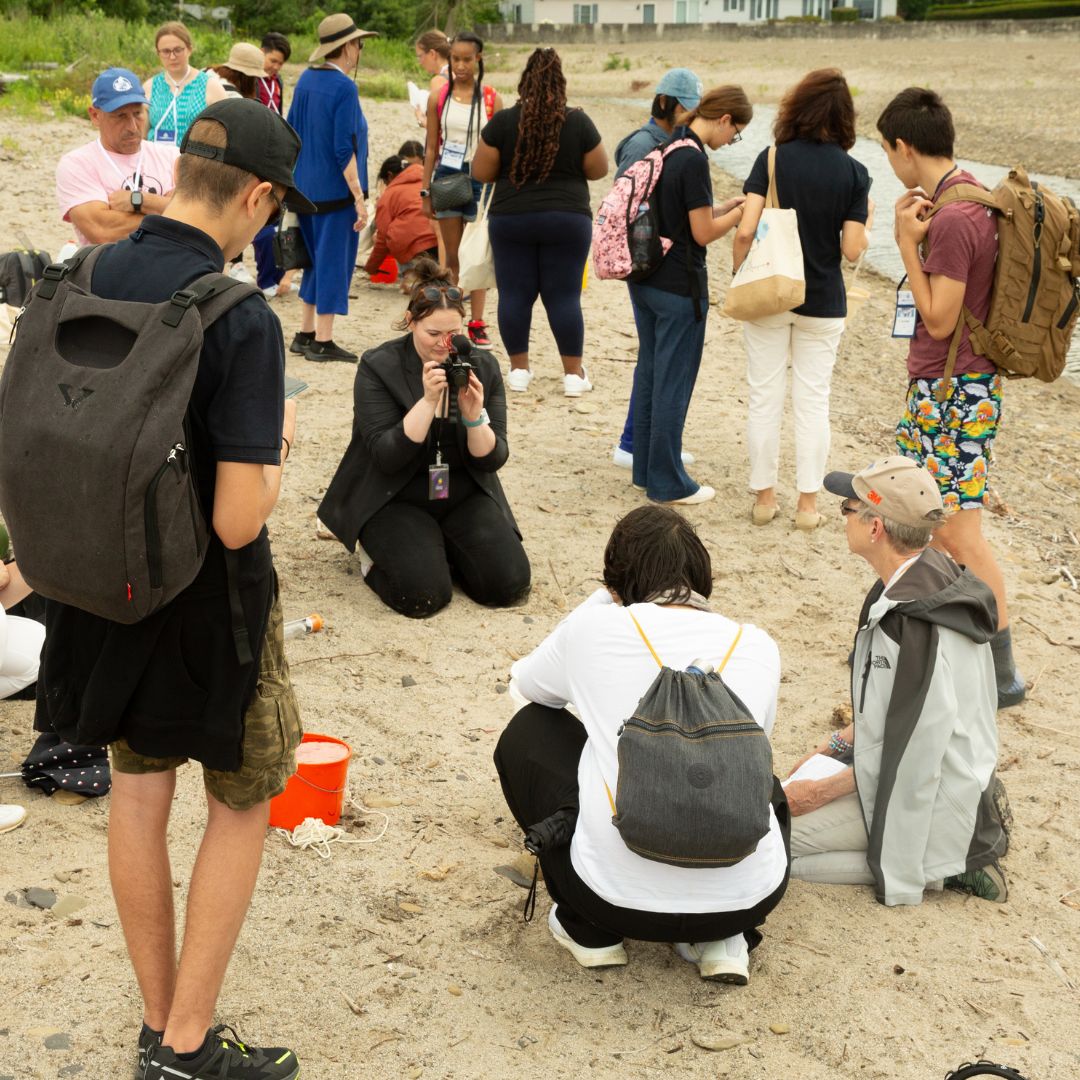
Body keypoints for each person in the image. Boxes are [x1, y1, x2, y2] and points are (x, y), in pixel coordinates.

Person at [32, 99, 311, 1079]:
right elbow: (239, 517)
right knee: (242, 803)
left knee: (138, 795)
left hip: (101, 584)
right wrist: (273, 457)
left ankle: (159, 1023)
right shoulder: (236, 317)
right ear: (259, 196)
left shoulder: (90, 270)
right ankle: (187, 1046)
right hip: (210, 604)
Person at [495, 505, 789, 982]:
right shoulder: (756, 643)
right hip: (746, 902)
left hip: (609, 900)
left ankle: (587, 932)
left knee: (530, 729)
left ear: (616, 583)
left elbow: (526, 688)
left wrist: (599, 606)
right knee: (755, 777)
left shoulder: (596, 628)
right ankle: (722, 940)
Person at [786, 456, 1008, 905]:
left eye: (847, 508)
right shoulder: (934, 575)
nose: (841, 517)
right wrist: (834, 745)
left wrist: (816, 793)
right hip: (954, 771)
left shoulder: (909, 620)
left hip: (932, 788)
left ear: (875, 529)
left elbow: (909, 749)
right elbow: (897, 713)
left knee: (778, 842)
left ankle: (941, 865)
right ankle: (940, 852)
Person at [877, 87, 1024, 710]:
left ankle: (1003, 671)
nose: (889, 160)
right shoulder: (958, 200)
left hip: (957, 392)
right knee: (937, 527)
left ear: (905, 148)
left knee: (961, 535)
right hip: (948, 388)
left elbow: (938, 318)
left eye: (887, 150)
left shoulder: (958, 216)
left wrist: (905, 243)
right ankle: (963, 652)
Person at [317, 259, 531, 618]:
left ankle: (442, 546)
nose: (444, 344)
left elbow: (492, 459)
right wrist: (428, 401)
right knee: (423, 596)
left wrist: (473, 416)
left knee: (507, 586)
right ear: (411, 321)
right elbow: (387, 455)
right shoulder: (379, 365)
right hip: (394, 494)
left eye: (453, 334)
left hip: (461, 490)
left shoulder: (481, 366)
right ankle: (375, 556)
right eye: (433, 334)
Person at [733, 68, 873, 531]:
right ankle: (808, 506)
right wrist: (866, 221)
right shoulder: (855, 173)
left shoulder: (771, 158)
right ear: (845, 118)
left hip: (772, 294)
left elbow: (747, 228)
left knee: (764, 397)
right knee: (813, 402)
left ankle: (764, 500)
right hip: (824, 302)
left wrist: (740, 276)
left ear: (796, 108)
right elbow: (852, 249)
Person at [628, 86, 750, 506]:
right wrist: (739, 214)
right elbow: (700, 233)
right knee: (672, 384)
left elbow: (681, 216)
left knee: (650, 374)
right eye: (734, 134)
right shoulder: (694, 159)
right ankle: (668, 482)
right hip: (679, 286)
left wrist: (721, 206)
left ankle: (645, 470)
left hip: (646, 278)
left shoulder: (669, 145)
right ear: (724, 119)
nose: (729, 142)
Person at [471, 47, 608, 397]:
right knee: (563, 297)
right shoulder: (577, 120)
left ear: (524, 82)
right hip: (567, 219)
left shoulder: (503, 122)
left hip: (513, 218)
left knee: (515, 295)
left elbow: (481, 172)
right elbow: (599, 169)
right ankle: (573, 376)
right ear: (560, 83)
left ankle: (519, 371)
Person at [611, 67, 703, 468]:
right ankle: (635, 443)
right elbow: (628, 208)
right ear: (671, 104)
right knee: (656, 362)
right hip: (650, 267)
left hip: (651, 266)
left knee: (654, 359)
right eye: (689, 109)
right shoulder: (647, 145)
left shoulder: (662, 141)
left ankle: (643, 443)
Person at [286, 13, 377, 363]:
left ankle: (305, 332)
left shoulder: (306, 79)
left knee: (313, 260)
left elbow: (292, 131)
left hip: (306, 188)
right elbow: (344, 148)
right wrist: (358, 198)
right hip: (335, 192)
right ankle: (323, 340)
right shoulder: (344, 87)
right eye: (359, 44)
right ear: (349, 47)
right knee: (334, 262)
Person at [421, 31, 502, 348]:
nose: (460, 65)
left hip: (481, 176)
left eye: (467, 59)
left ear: (478, 59)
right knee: (452, 254)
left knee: (477, 253)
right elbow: (430, 147)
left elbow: (500, 148)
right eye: (455, 59)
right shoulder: (437, 97)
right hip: (447, 174)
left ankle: (477, 322)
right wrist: (425, 191)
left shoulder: (493, 99)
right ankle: (452, 320)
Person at [55, 68, 179, 246]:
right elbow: (103, 230)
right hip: (110, 271)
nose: (133, 127)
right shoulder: (77, 164)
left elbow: (199, 215)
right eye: (120, 116)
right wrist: (165, 208)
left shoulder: (172, 156)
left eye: (137, 114)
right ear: (95, 115)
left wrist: (139, 201)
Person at [143, 21, 227, 147]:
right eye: (166, 51)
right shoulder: (149, 87)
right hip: (156, 161)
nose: (172, 57)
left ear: (189, 49)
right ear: (158, 54)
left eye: (178, 50)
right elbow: (141, 136)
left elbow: (224, 133)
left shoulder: (211, 87)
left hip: (193, 163)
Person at [364, 156, 437, 281]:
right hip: (438, 244)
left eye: (385, 182)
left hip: (412, 251)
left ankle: (412, 277)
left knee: (393, 236)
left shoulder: (389, 195)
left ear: (390, 175)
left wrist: (371, 267)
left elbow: (382, 238)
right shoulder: (428, 182)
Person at [413, 28, 450, 126]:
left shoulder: (439, 81)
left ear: (432, 54)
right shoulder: (456, 73)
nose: (420, 62)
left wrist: (420, 119)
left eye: (420, 56)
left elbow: (437, 127)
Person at [258, 31, 290, 114]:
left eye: (280, 63)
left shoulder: (277, 80)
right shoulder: (250, 78)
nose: (276, 67)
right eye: (273, 61)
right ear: (261, 52)